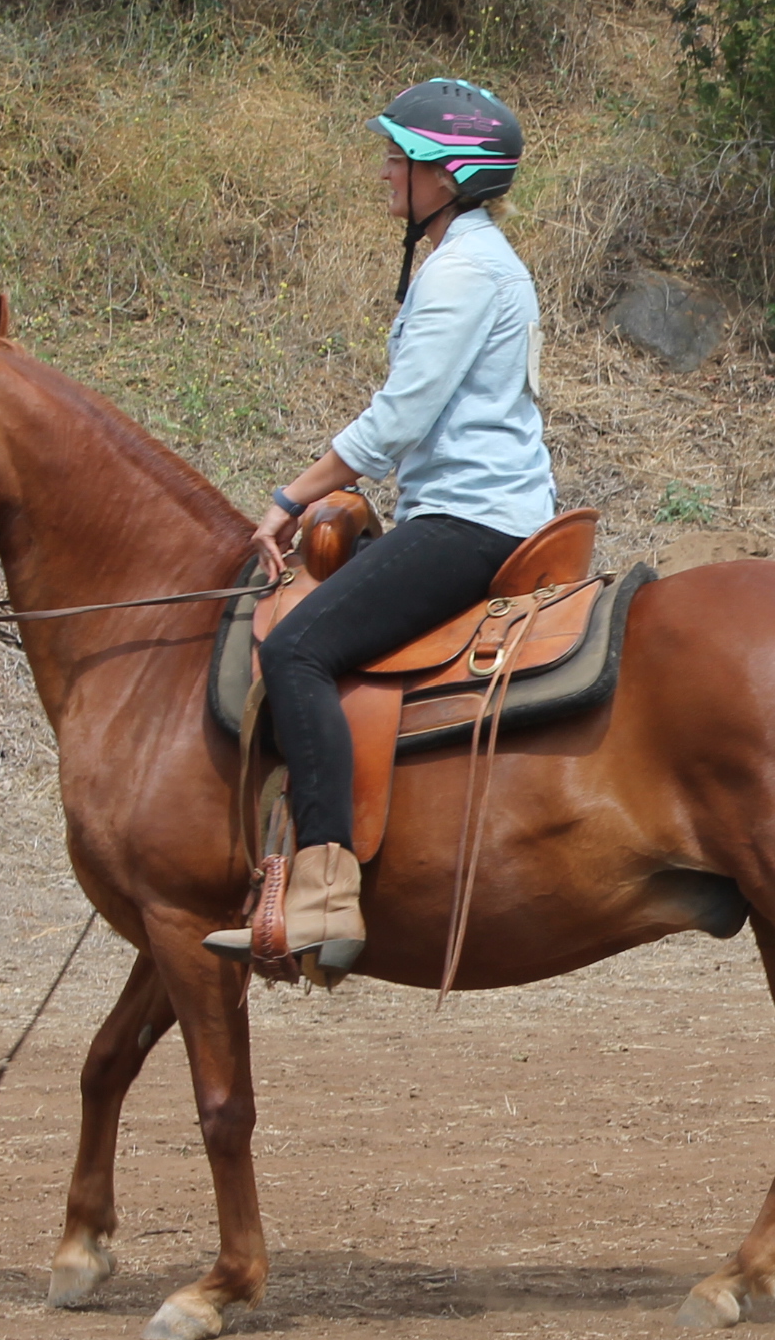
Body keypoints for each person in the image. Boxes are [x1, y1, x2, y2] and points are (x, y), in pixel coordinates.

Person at [203, 79, 554, 979]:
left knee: (298, 651)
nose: (387, 171)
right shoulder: (467, 259)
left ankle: (322, 892)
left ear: (453, 174)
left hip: (470, 521)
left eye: (403, 157)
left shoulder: (466, 269)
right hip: (463, 508)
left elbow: (398, 419)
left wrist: (290, 498)